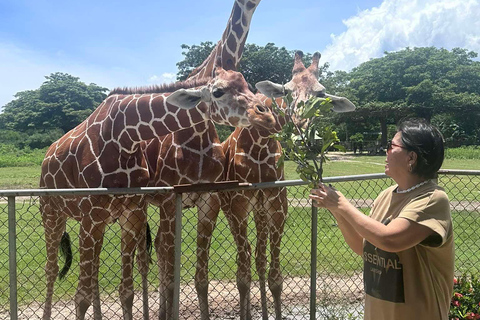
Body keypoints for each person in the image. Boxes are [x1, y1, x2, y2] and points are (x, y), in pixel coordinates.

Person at [310, 118, 454, 320]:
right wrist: (336, 210)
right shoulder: (386, 195)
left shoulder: (432, 199)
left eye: (390, 146)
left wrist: (342, 204)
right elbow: (365, 247)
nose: (384, 150)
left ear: (411, 157)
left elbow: (389, 240)